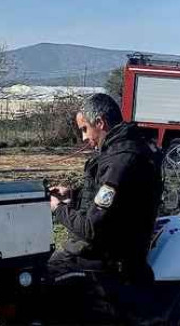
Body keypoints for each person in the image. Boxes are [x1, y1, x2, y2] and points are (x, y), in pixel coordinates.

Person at [46, 93, 162, 321]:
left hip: (111, 263)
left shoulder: (121, 161)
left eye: (85, 129)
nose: (83, 137)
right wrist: (74, 195)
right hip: (113, 253)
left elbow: (91, 227)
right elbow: (115, 202)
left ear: (100, 123)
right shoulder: (127, 150)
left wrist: (58, 208)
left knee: (37, 279)